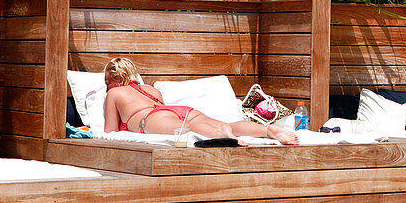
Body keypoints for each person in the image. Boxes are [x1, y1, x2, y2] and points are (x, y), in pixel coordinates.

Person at [102, 57, 298, 144]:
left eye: (107, 83)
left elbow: (110, 132)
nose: (106, 88)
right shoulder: (151, 89)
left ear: (117, 79)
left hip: (150, 118)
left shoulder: (115, 93)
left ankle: (219, 134)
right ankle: (267, 130)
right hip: (178, 109)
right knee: (225, 124)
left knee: (187, 129)